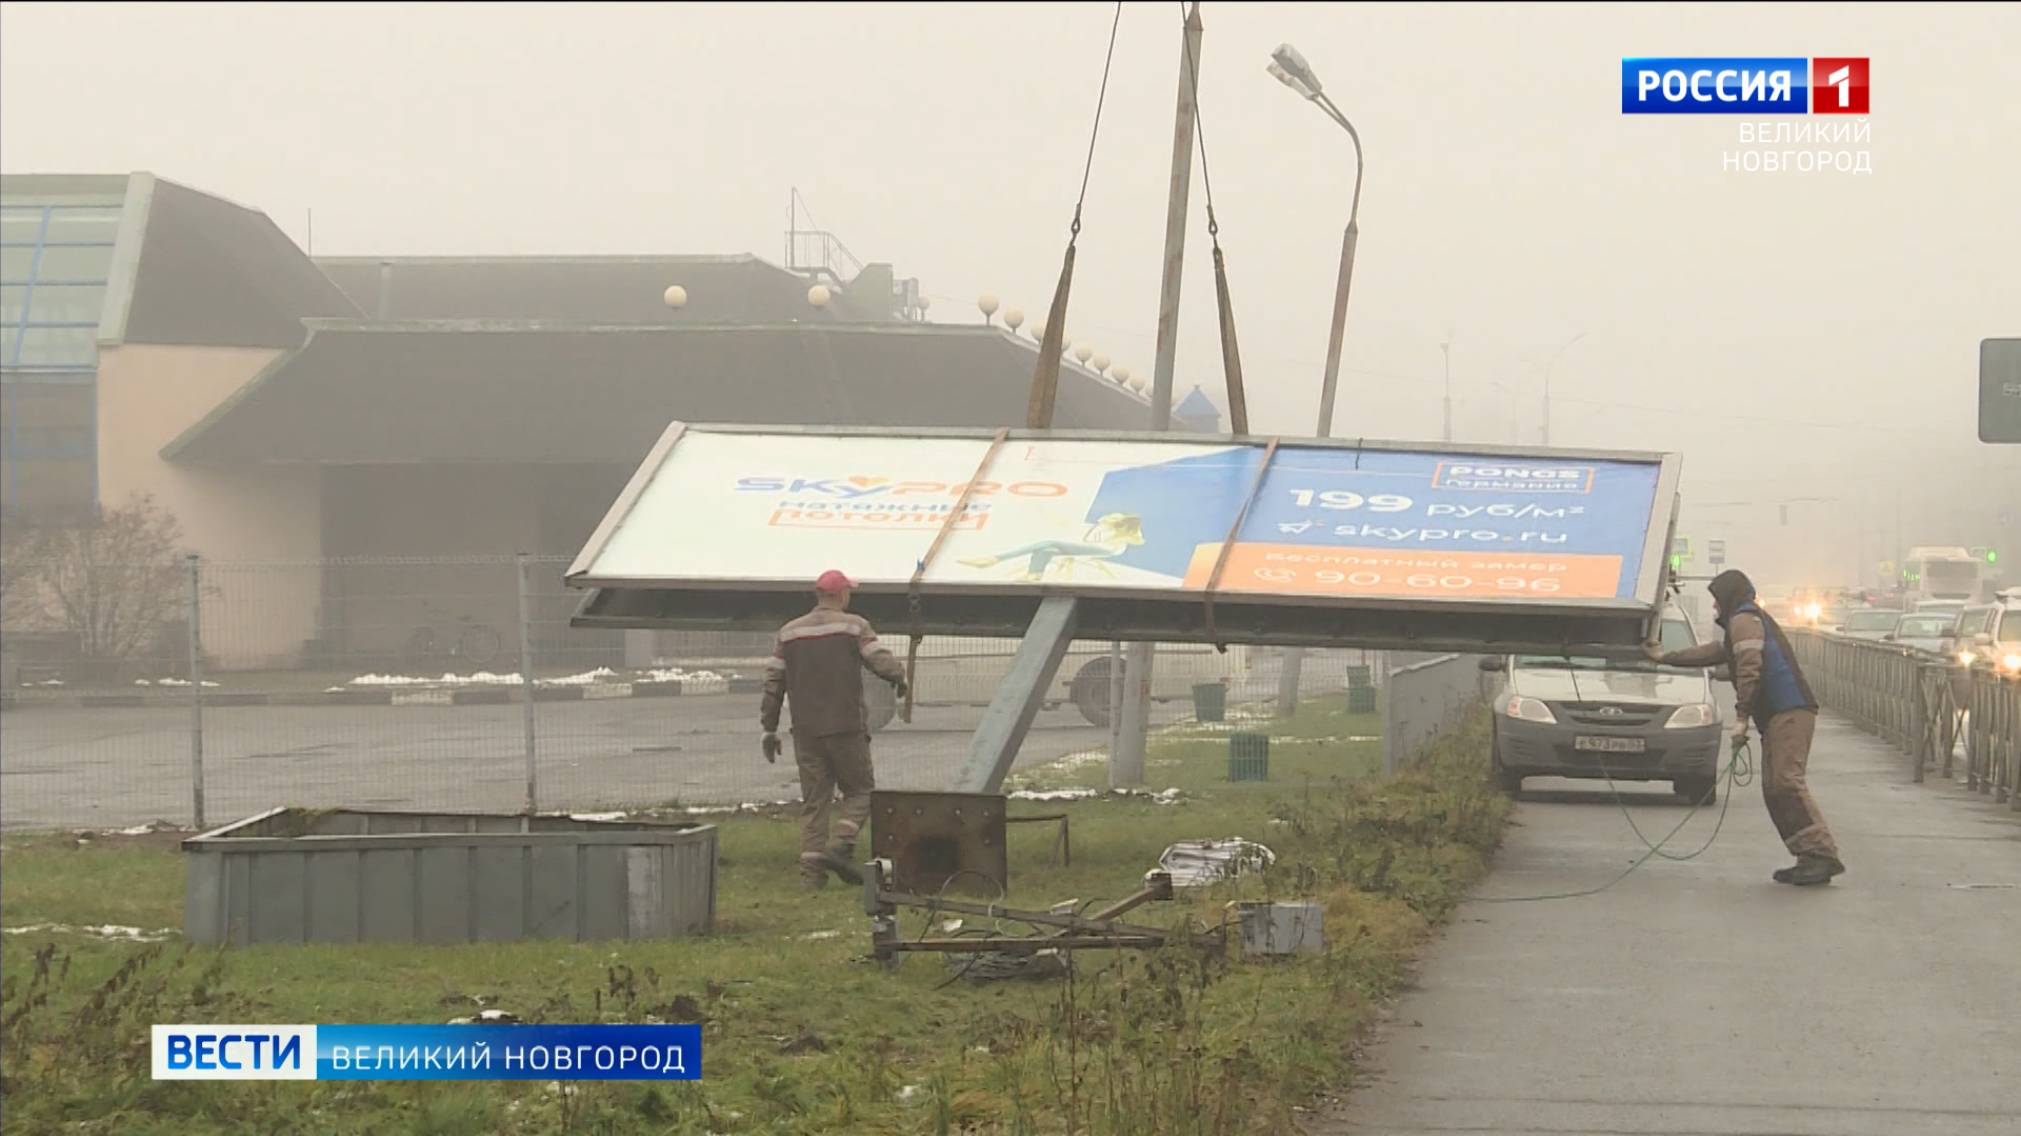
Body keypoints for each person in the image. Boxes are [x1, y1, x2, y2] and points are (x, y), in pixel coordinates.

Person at [1650, 568, 1845, 885]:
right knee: (1773, 787)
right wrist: (1666, 657)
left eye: (1716, 601)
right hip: (1778, 714)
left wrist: (1741, 718)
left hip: (1790, 709)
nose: (1714, 608)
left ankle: (1822, 854)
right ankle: (1807, 855)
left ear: (1728, 596)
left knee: (1786, 783)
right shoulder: (1742, 623)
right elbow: (1715, 653)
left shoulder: (1744, 620)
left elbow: (1750, 669)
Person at [759, 570, 908, 890]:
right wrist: (899, 676)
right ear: (841, 595)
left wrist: (768, 729)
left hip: (806, 731)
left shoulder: (788, 633)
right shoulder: (853, 625)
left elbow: (773, 685)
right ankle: (840, 845)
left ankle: (812, 877)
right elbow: (879, 660)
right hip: (846, 727)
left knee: (815, 801)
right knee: (861, 791)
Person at [959, 513, 1146, 581]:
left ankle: (994, 559)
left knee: (1050, 542)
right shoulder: (1111, 522)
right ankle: (1034, 575)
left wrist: (1120, 531)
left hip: (1106, 549)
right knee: (1048, 550)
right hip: (1093, 545)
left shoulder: (1128, 533)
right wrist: (1110, 523)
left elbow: (1138, 541)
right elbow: (1094, 531)